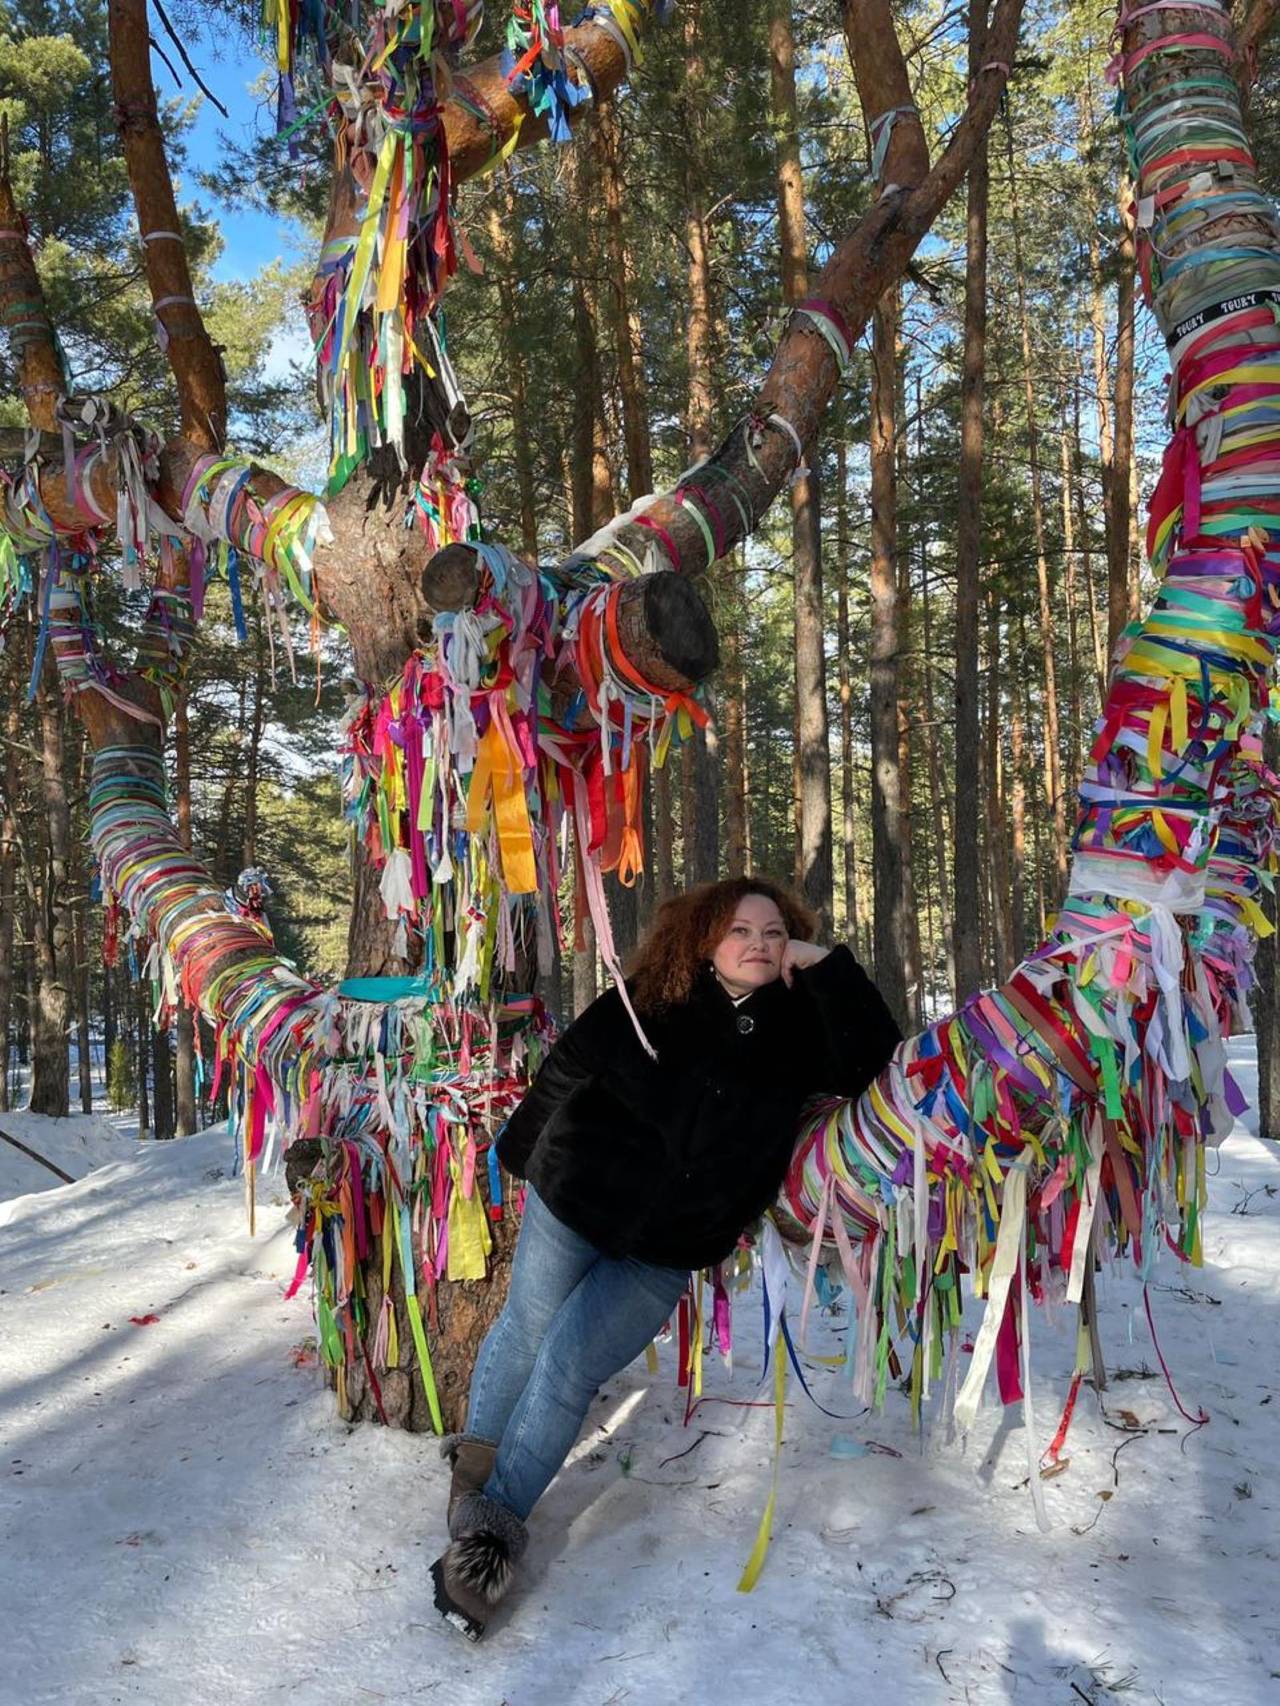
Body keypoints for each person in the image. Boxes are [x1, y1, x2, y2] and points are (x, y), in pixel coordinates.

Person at [431, 876, 902, 1640]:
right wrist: (517, 1158)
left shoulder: (802, 1023)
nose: (758, 943)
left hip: (673, 1244)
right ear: (705, 937)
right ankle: (475, 1470)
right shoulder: (655, 993)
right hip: (576, 1197)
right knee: (529, 1324)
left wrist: (825, 963)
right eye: (740, 929)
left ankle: (489, 1536)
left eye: (774, 932)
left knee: (570, 1363)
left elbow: (877, 1063)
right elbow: (568, 1065)